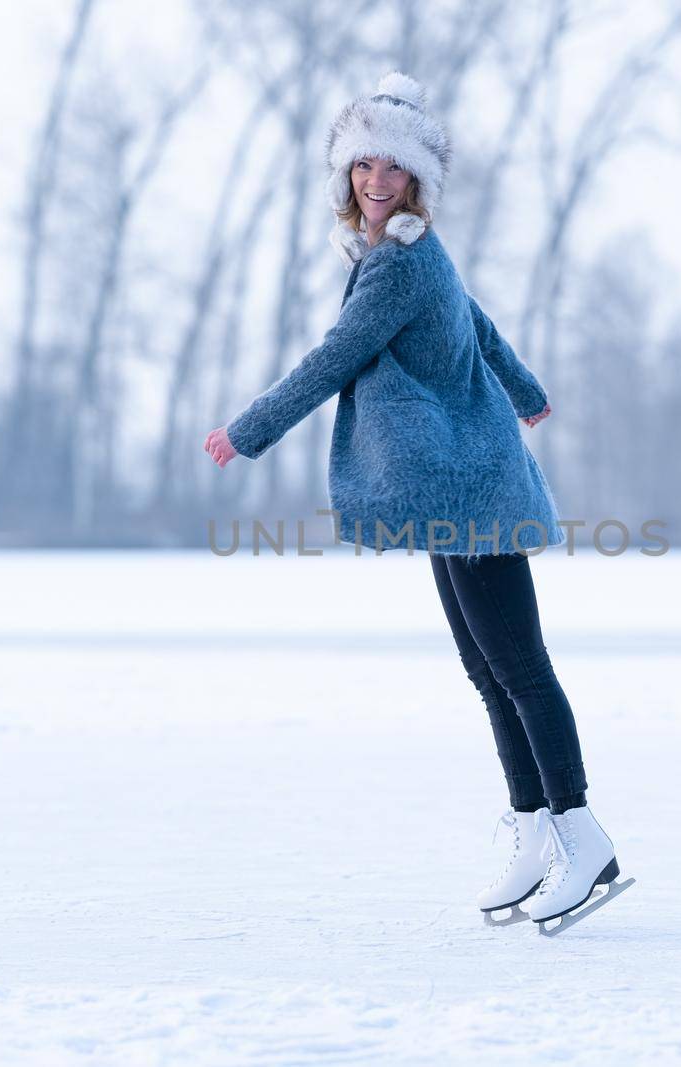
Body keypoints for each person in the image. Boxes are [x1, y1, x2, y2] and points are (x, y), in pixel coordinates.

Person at [204, 71, 619, 926]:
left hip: (471, 487)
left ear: (417, 180)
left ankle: (586, 836)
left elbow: (333, 359)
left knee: (520, 668)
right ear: (346, 175)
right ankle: (537, 829)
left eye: (394, 169)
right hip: (452, 484)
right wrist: (526, 387)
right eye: (363, 166)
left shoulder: (398, 263)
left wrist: (247, 430)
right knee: (488, 669)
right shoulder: (406, 255)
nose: (377, 181)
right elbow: (480, 321)